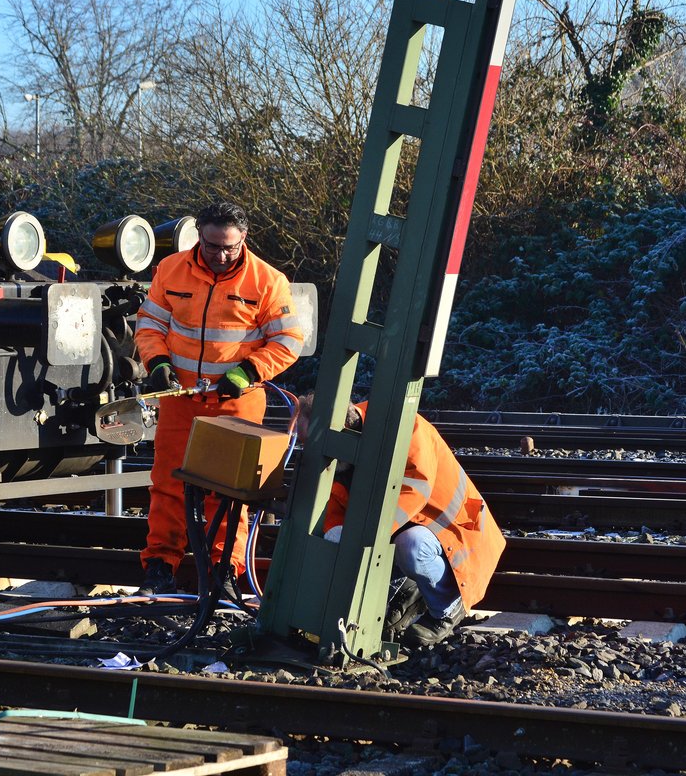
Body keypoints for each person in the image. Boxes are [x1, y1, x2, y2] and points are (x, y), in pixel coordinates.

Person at [133, 201, 303, 596]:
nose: (222, 255)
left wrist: (248, 372)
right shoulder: (170, 269)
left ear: (244, 238)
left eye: (230, 247)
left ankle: (224, 571)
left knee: (230, 492)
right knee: (168, 484)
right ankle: (160, 566)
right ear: (199, 236)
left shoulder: (267, 280)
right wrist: (156, 362)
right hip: (179, 397)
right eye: (213, 247)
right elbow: (150, 323)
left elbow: (289, 341)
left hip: (237, 400)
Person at [297, 394, 506, 647]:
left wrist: (367, 536)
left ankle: (448, 609)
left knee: (412, 546)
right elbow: (333, 510)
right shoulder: (337, 458)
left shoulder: (403, 426)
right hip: (403, 529)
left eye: (311, 441)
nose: (310, 449)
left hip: (454, 533)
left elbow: (415, 488)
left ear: (345, 432)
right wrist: (336, 536)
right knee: (355, 543)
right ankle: (410, 588)